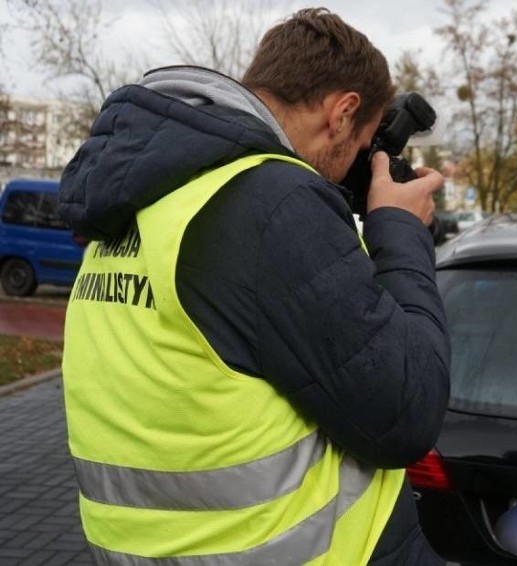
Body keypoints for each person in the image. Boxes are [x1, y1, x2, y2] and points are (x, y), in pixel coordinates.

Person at [58, 7, 450, 565]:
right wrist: (402, 232)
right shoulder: (272, 204)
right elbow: (406, 412)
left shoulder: (148, 196)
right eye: (363, 145)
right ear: (342, 113)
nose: (353, 169)